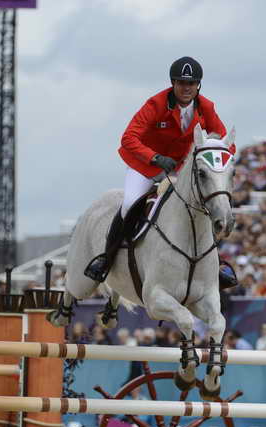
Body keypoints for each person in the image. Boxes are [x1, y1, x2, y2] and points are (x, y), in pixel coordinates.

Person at [84, 56, 237, 289]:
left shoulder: (206, 107)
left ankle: (214, 265)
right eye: (181, 83)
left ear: (198, 85)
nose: (186, 88)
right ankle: (107, 258)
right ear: (173, 83)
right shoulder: (155, 105)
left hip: (180, 170)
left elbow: (224, 141)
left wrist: (217, 161)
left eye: (192, 84)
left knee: (202, 205)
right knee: (129, 203)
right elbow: (128, 138)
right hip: (145, 166)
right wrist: (154, 157)